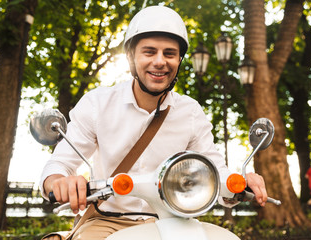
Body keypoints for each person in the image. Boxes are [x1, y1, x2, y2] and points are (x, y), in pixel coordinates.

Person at [40, 5, 268, 240]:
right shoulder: (97, 104)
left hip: (175, 222)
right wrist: (59, 182)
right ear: (131, 57)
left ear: (179, 59)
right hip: (108, 221)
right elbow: (58, 165)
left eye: (169, 53)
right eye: (149, 52)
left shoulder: (190, 112)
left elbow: (216, 173)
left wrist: (241, 185)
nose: (160, 62)